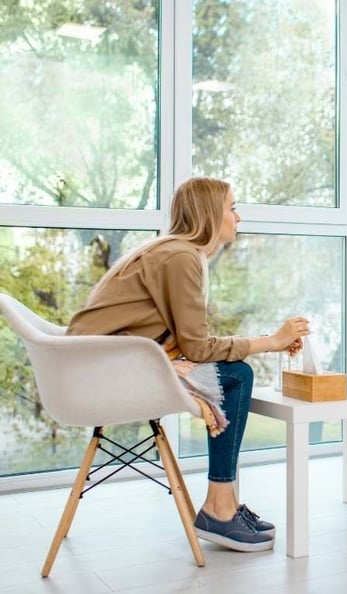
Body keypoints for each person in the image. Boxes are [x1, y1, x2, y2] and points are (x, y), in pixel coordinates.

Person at [67, 177, 310, 552]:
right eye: (232, 207)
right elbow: (198, 347)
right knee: (237, 376)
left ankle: (222, 504)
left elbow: (182, 342)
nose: (238, 216)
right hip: (100, 372)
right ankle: (219, 507)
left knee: (232, 373)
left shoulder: (176, 252)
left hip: (102, 364)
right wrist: (270, 342)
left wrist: (167, 359)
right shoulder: (181, 256)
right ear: (210, 214)